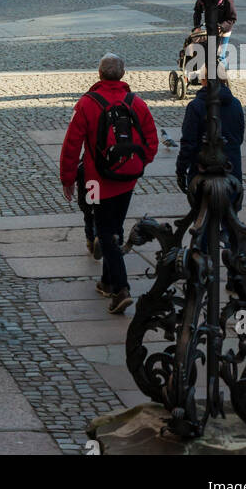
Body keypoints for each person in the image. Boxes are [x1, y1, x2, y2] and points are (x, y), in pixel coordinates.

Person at [60, 54, 159, 314]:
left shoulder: (87, 104)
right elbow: (151, 140)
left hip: (95, 181)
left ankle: (120, 289)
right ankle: (106, 281)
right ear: (123, 74)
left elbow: (71, 145)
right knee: (114, 229)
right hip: (126, 182)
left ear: (99, 74)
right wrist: (138, 165)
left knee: (104, 233)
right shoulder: (137, 103)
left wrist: (68, 178)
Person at [175, 63, 244, 214]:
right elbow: (239, 138)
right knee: (231, 220)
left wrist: (181, 169)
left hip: (203, 173)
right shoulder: (236, 104)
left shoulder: (196, 106)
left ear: (204, 80)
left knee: (203, 219)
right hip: (231, 170)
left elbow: (188, 143)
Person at [192, 0, 237, 67]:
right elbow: (197, 12)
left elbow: (232, 19)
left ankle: (223, 76)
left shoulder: (228, 1)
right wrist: (197, 26)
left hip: (225, 28)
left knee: (220, 56)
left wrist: (221, 27)